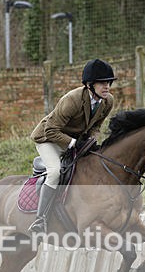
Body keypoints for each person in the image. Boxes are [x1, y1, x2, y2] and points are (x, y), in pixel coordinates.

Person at [28, 58, 117, 234]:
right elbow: (51, 130)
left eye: (109, 82)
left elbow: (96, 126)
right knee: (54, 172)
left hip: (74, 141)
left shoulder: (108, 101)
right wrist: (74, 143)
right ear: (90, 84)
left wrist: (91, 140)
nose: (107, 86)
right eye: (102, 83)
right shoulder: (72, 100)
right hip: (49, 139)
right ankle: (40, 220)